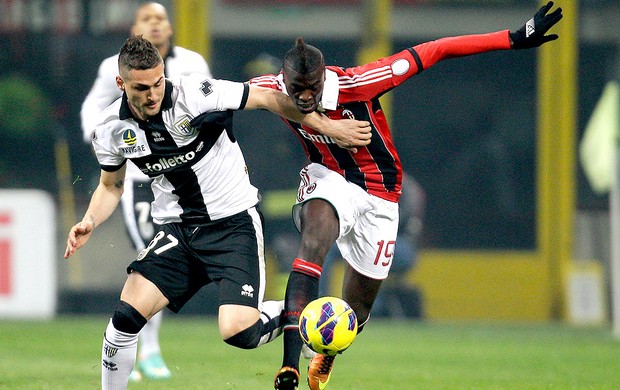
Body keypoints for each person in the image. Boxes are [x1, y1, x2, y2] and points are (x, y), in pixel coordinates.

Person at [249, 2, 564, 389]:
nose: (304, 97)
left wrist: (512, 39)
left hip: (380, 195)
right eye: (296, 89)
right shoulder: (273, 88)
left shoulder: (359, 83)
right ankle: (289, 366)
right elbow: (224, 97)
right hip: (327, 177)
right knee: (313, 239)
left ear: (324, 77)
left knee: (358, 309)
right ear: (284, 80)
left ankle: (327, 352)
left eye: (312, 88)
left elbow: (437, 49)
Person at [64, 36, 371, 390]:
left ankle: (301, 320)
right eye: (141, 88)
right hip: (178, 231)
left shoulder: (196, 94)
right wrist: (89, 221)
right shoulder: (111, 130)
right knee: (123, 321)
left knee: (239, 332)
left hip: (233, 225)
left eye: (157, 83)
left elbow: (268, 97)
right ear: (121, 84)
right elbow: (111, 185)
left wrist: (330, 127)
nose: (152, 94)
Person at [80, 2, 211, 381]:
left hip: (186, 185)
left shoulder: (193, 64)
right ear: (134, 30)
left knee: (165, 261)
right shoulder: (113, 69)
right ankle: (144, 348)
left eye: (161, 19)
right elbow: (94, 108)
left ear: (170, 30)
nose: (154, 25)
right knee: (149, 256)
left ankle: (139, 346)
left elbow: (209, 110)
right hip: (139, 180)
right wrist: (104, 144)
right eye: (146, 19)